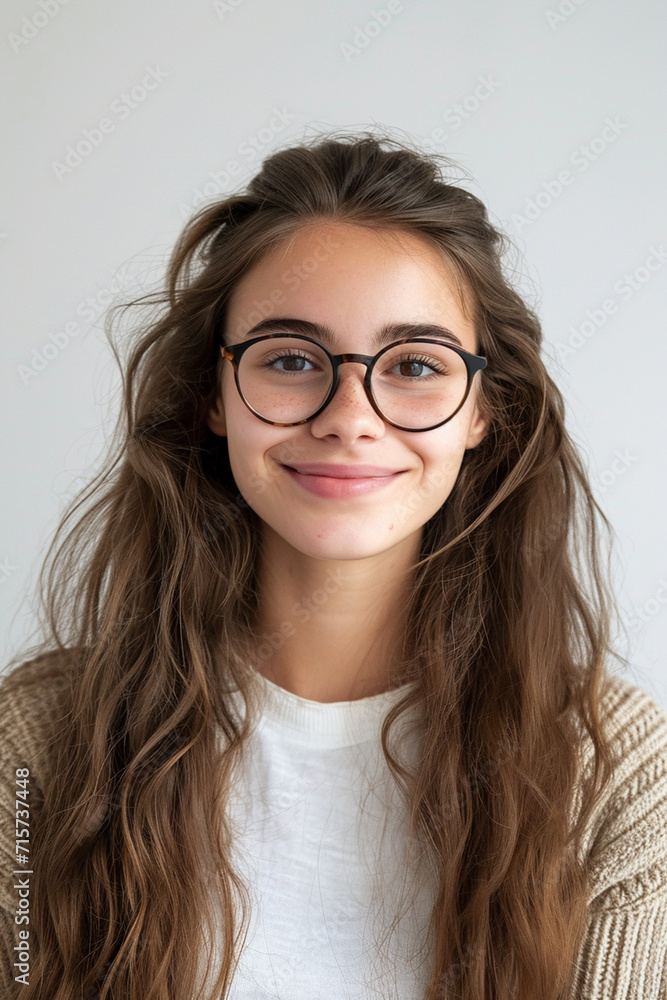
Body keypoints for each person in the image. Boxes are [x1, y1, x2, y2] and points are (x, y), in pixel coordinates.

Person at [1, 129, 666, 1000]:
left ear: (482, 412)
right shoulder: (33, 749)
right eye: (288, 358)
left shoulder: (616, 774)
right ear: (211, 394)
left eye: (416, 366)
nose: (350, 416)